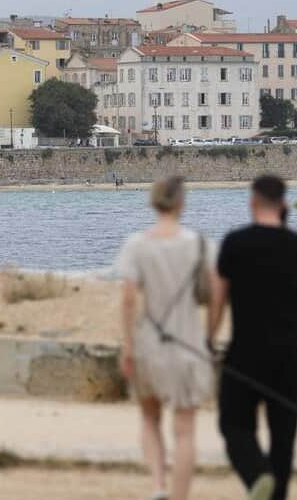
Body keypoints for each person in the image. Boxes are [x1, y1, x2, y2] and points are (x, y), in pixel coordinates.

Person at [208, 175, 297, 500]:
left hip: (246, 354)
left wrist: (208, 337)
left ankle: (257, 474)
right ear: (283, 205)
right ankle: (272, 487)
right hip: (292, 357)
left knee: (233, 425)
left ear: (252, 202)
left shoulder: (235, 243)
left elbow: (219, 296)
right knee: (284, 442)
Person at [116, 176, 216, 500]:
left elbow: (129, 298)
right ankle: (180, 496)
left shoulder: (137, 245)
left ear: (153, 202)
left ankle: (158, 486)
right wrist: (210, 337)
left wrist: (128, 345)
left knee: (149, 418)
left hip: (150, 344)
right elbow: (214, 295)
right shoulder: (200, 244)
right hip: (188, 344)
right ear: (182, 204)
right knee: (185, 431)